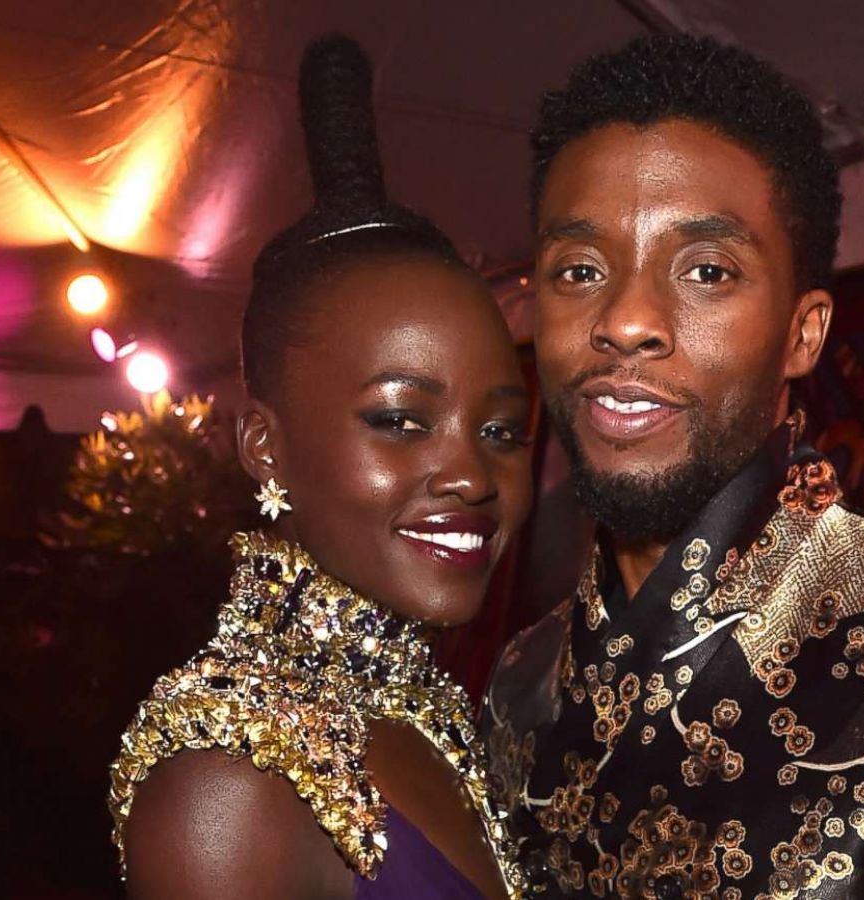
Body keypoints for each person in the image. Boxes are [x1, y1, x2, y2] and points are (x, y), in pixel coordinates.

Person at [483, 35, 864, 898]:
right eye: (579, 268)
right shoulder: (522, 678)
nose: (626, 318)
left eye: (706, 270)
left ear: (803, 334)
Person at [108, 35, 533, 900]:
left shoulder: (435, 710)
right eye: (400, 419)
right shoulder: (228, 782)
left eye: (501, 431)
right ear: (264, 446)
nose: (474, 477)